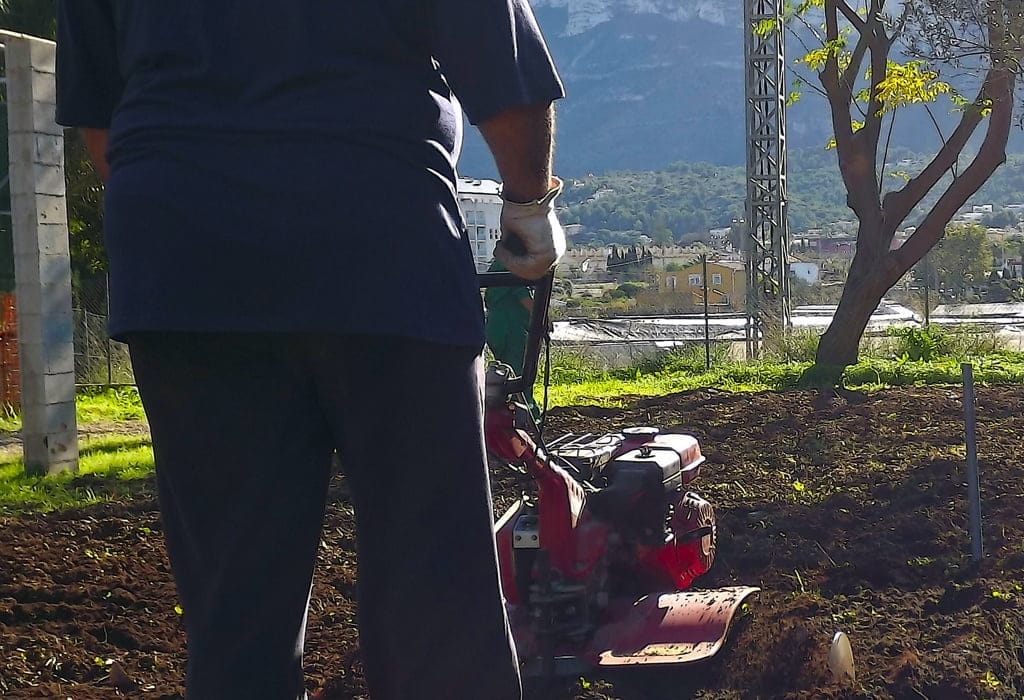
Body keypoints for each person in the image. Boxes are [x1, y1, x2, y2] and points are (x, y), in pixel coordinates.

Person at [55, 3, 565, 699]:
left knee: (237, 607)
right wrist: (529, 208)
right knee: (437, 601)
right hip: (383, 247)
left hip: (186, 262)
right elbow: (497, 58)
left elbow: (102, 116)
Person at [484, 258, 542, 423]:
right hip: (511, 327)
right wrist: (542, 318)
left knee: (507, 370)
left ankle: (512, 411)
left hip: (497, 327)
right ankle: (526, 415)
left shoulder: (500, 263)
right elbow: (523, 296)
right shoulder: (512, 264)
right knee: (520, 372)